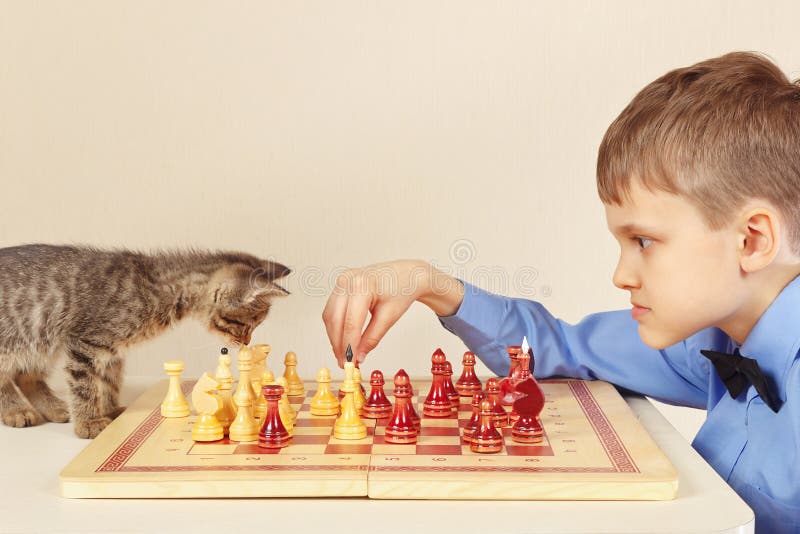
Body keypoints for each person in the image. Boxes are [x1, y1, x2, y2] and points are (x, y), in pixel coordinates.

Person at [321, 52, 800, 532]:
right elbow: (560, 349)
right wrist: (430, 284)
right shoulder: (707, 343)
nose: (621, 275)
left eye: (644, 241)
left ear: (752, 240)